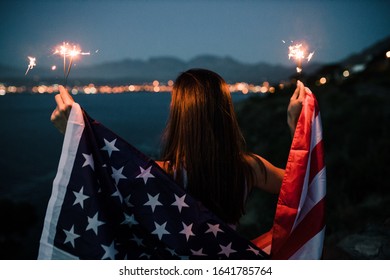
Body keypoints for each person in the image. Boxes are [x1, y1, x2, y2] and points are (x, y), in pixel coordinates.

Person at [51, 68, 306, 227]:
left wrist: (73, 132)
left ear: (180, 115)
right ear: (225, 112)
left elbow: (102, 180)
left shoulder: (161, 175)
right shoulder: (249, 168)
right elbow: (302, 185)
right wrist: (298, 128)